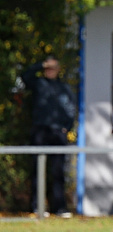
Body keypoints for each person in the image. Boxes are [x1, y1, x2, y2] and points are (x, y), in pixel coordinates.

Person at [21, 56, 76, 218]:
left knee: (58, 171)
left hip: (58, 132)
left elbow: (71, 109)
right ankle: (37, 206)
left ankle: (59, 208)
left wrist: (67, 127)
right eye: (47, 69)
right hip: (40, 130)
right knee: (38, 169)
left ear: (58, 70)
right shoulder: (38, 84)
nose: (50, 71)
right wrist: (41, 64)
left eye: (53, 68)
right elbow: (25, 76)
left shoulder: (64, 88)